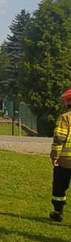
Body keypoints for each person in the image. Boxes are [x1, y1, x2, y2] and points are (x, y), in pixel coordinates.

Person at [49, 88, 71, 222]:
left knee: (60, 186)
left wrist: (55, 156)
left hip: (66, 160)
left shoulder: (65, 117)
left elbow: (59, 138)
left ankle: (58, 211)